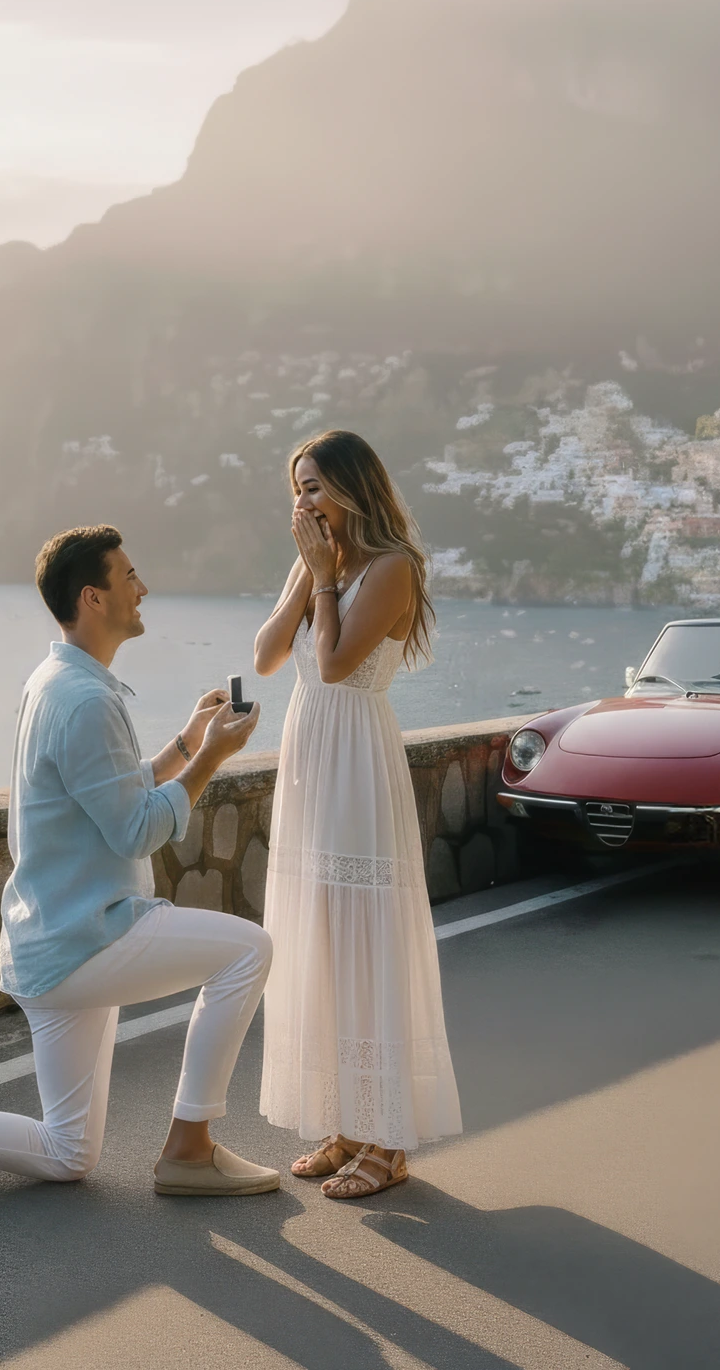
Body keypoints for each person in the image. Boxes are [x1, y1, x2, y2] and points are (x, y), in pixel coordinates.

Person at [0, 524, 278, 1204]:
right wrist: (212, 759)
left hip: (51, 943)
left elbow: (112, 795)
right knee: (249, 951)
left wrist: (188, 740)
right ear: (93, 598)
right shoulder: (86, 700)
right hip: (89, 937)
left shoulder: (59, 681)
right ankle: (190, 1146)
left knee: (69, 1153)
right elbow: (133, 831)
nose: (142, 587)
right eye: (129, 577)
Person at [253, 430, 461, 1199]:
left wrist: (322, 580)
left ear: (350, 487)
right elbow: (271, 657)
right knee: (323, 940)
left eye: (313, 487)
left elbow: (338, 666)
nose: (302, 502)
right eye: (296, 489)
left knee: (366, 943)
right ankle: (346, 1120)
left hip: (356, 761)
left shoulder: (391, 568)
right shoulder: (321, 566)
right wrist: (307, 577)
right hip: (310, 760)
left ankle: (389, 1139)